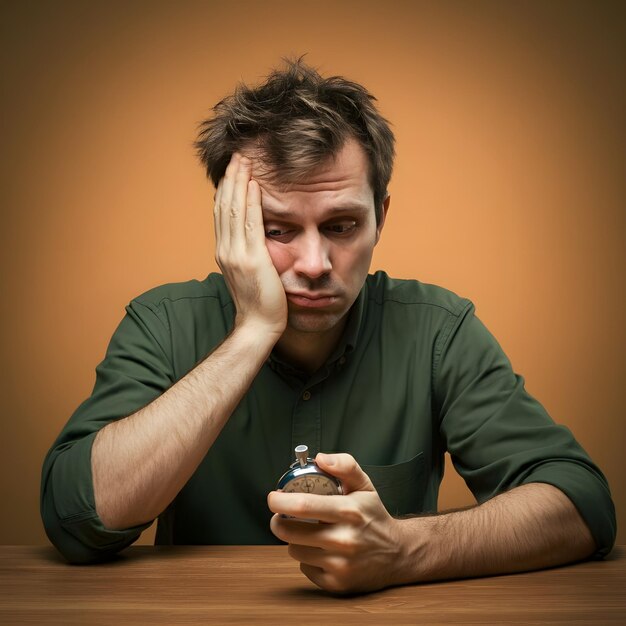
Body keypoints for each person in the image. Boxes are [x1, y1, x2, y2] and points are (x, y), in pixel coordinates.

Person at [41, 59, 616, 594]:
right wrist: (251, 334)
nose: (314, 265)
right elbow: (75, 517)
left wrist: (404, 550)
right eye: (277, 230)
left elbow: (581, 504)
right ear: (229, 226)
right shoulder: (162, 326)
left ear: (380, 218)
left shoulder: (438, 332)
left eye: (341, 226)